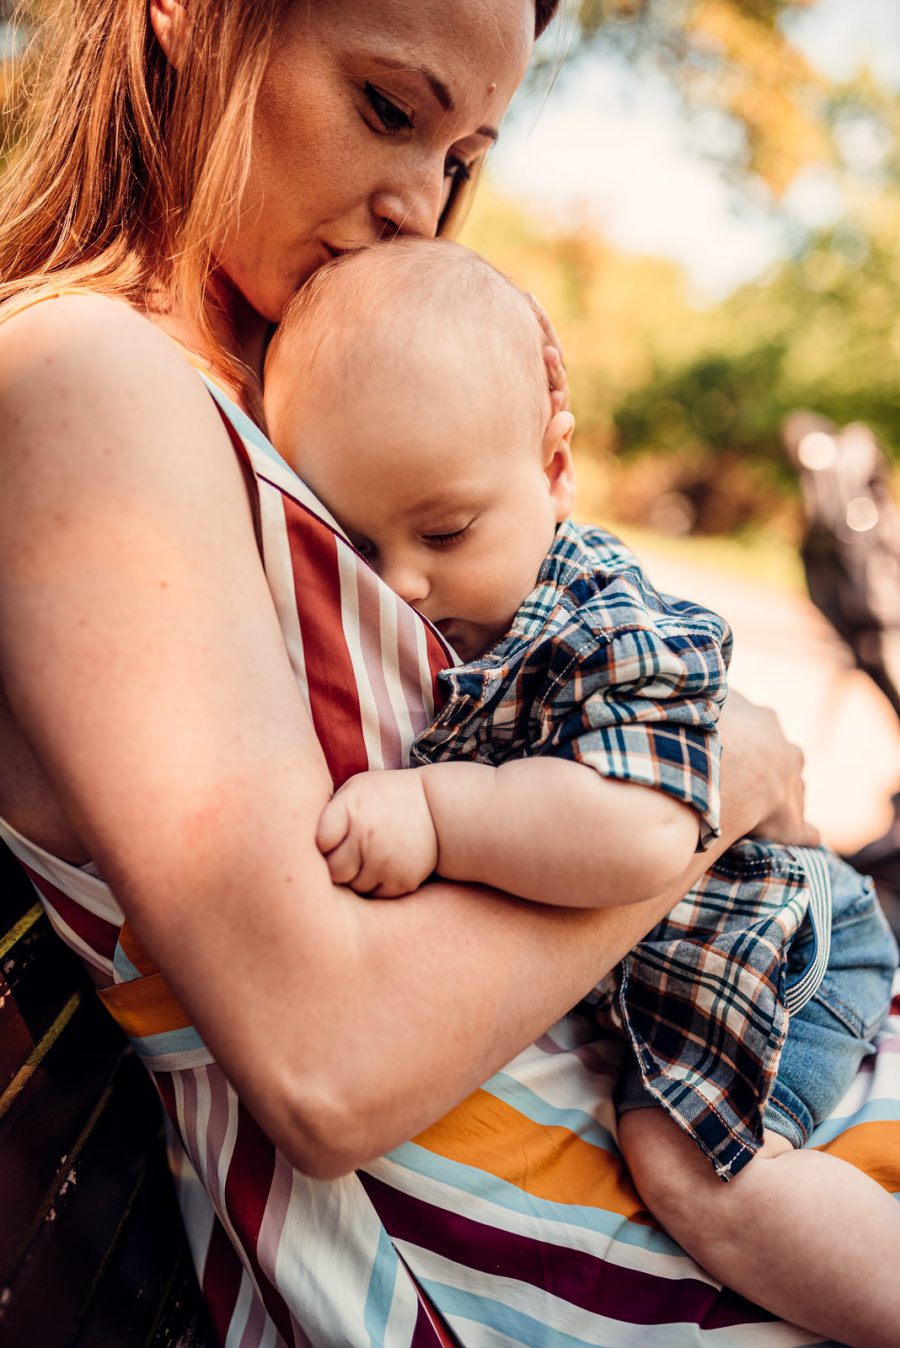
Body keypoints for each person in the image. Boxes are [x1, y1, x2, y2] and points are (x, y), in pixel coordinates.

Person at [0, 2, 895, 1344]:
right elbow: (327, 1065)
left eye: (465, 155)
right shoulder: (83, 374)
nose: (423, 203)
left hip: (691, 1163)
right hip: (551, 1272)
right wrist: (710, 784)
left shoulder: (299, 397)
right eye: (386, 109)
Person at [262, 236, 900, 1346]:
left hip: (778, 950)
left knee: (698, 1172)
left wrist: (438, 813)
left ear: (556, 473)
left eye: (445, 531)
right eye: (359, 544)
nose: (404, 583)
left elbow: (643, 835)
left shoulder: (600, 623)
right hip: (714, 950)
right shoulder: (472, 604)